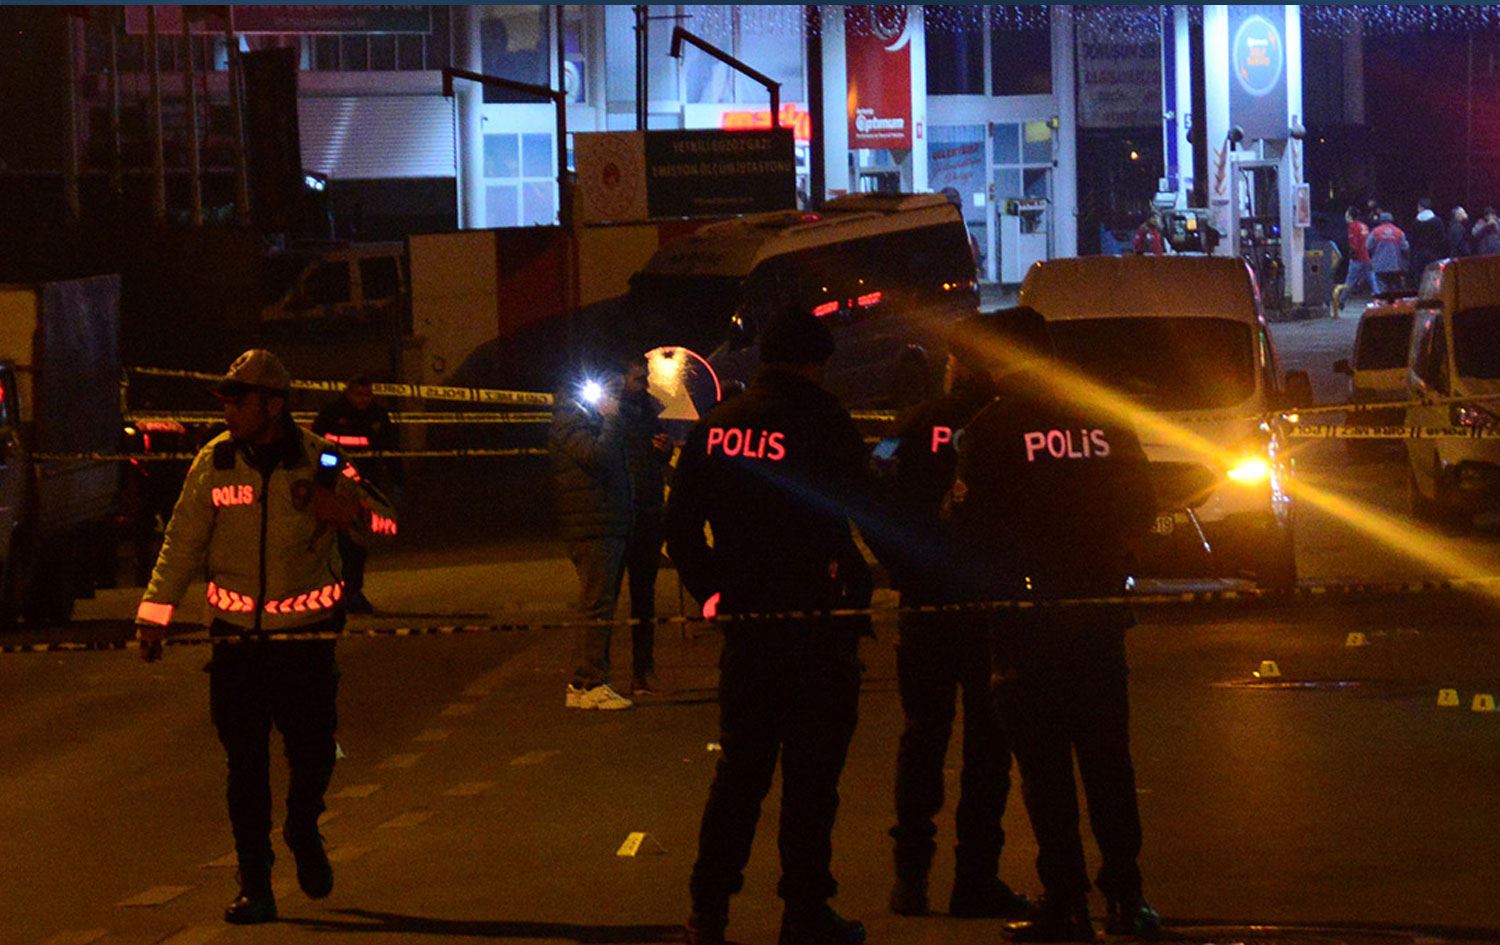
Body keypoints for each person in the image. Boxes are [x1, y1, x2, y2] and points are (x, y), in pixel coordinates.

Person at [134, 349, 397, 925]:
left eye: (238, 399)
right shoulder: (215, 462)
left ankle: (304, 827)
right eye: (225, 399)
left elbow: (388, 520)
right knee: (244, 768)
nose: (227, 409)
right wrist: (154, 616)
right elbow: (181, 543)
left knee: (311, 753)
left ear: (273, 405)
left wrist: (344, 513)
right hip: (236, 645)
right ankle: (256, 884)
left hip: (304, 640)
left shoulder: (322, 457)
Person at [942, 308, 1159, 943]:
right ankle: (1127, 895)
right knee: (1107, 761)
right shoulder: (1105, 419)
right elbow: (1141, 510)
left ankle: (1066, 902)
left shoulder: (992, 429)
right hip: (1095, 615)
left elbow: (967, 530)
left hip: (1026, 623)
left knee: (1045, 769)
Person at [667, 305, 873, 945]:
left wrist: (715, 593)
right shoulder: (823, 421)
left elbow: (679, 528)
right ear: (814, 363)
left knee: (740, 774)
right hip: (815, 623)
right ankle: (805, 912)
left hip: (749, 625)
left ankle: (709, 910)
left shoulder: (719, 426)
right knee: (811, 783)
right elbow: (863, 509)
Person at [868, 316, 1029, 921]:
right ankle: (975, 879)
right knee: (988, 748)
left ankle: (910, 881)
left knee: (922, 739)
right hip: (990, 605)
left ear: (953, 365)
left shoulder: (908, 426)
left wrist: (901, 564)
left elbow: (869, 490)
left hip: (926, 605)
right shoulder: (1009, 425)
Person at [550, 358, 636, 711]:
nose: (615, 397)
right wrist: (612, 418)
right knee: (596, 605)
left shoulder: (591, 417)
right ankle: (588, 682)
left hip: (605, 520)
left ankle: (589, 682)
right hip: (592, 524)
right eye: (611, 389)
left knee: (600, 604)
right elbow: (596, 456)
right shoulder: (572, 417)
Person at [312, 375, 401, 614]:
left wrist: (396, 482)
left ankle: (352, 591)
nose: (363, 400)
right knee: (332, 541)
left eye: (367, 395)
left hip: (363, 488)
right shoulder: (332, 414)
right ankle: (332, 591)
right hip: (334, 487)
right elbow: (317, 447)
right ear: (349, 392)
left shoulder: (377, 416)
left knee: (357, 542)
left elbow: (392, 448)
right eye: (359, 395)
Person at [619, 353, 674, 696]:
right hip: (620, 511)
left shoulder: (651, 409)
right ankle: (598, 675)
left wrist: (664, 449)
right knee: (606, 597)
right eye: (638, 378)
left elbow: (658, 453)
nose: (645, 383)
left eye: (646, 377)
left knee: (645, 595)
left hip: (649, 509)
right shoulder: (609, 413)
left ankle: (644, 669)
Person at [1336, 206, 1374, 309]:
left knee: (1350, 280)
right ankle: (1381, 297)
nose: (1345, 216)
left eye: (1346, 214)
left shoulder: (1352, 226)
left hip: (1357, 258)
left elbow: (1354, 244)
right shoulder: (1364, 226)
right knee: (1371, 278)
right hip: (1367, 257)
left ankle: (1341, 301)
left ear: (1350, 216)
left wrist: (1352, 255)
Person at [1366, 211, 1409, 294]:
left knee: (1381, 291)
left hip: (1379, 267)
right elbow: (1405, 248)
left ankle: (1383, 305)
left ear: (1380, 221)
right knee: (1394, 290)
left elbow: (1368, 246)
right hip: (1395, 267)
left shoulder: (1375, 232)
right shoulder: (1399, 232)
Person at [1410, 198, 1448, 279]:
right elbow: (1442, 239)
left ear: (1421, 207)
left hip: (1419, 256)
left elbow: (1413, 240)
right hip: (1434, 254)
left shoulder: (1416, 222)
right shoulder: (1438, 221)